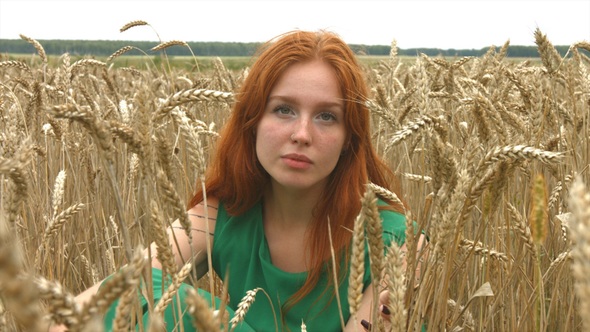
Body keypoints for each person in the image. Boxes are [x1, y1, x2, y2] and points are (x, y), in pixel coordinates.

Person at [50, 29, 425, 332]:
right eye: (283, 110)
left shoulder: (392, 238)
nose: (302, 133)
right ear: (252, 122)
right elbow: (104, 297)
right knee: (161, 296)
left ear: (349, 140)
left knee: (182, 306)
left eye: (327, 116)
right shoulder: (225, 214)